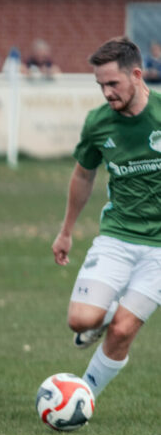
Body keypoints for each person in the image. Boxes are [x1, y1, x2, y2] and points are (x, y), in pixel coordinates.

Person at [51, 36, 161, 401]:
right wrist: (66, 231)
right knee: (81, 320)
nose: (106, 93)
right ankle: (108, 314)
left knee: (123, 330)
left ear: (137, 75)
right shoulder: (98, 123)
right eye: (100, 85)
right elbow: (83, 175)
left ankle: (83, 397)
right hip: (117, 236)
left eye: (113, 83)